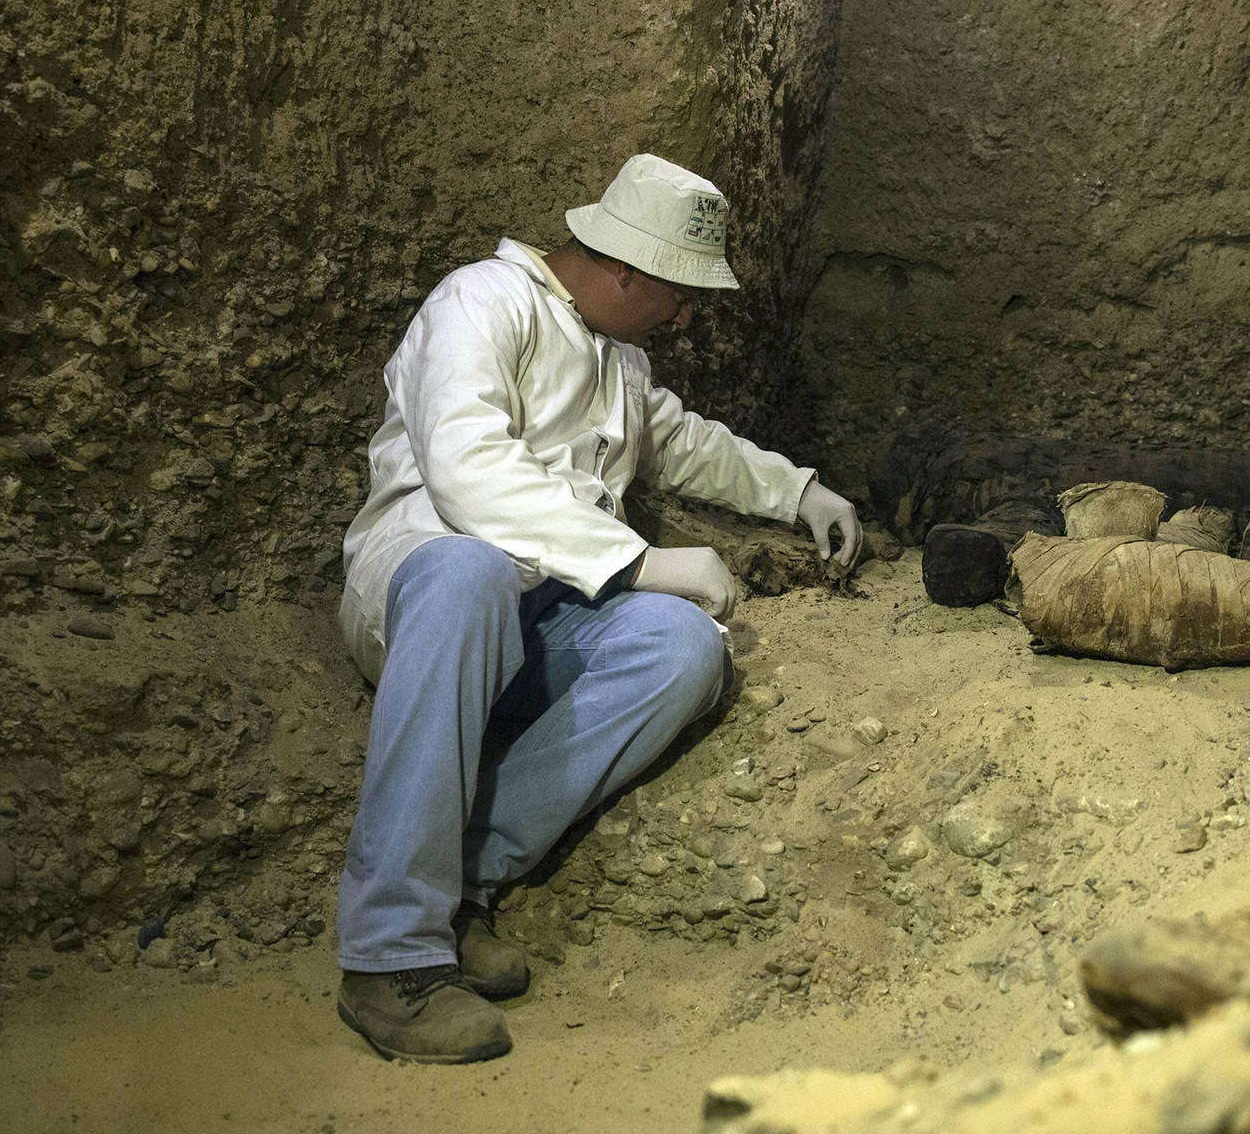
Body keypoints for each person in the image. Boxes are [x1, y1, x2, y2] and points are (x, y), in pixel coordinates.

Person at [331, 154, 860, 1064]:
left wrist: (800, 491)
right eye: (681, 293)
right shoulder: (479, 303)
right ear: (622, 269)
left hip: (542, 622)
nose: (691, 314)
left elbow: (687, 444)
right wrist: (639, 561)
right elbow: (467, 470)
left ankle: (463, 880)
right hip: (428, 604)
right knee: (472, 572)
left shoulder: (618, 356)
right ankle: (389, 957)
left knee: (686, 646)